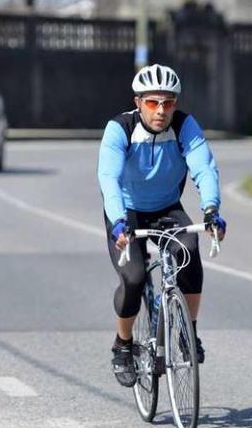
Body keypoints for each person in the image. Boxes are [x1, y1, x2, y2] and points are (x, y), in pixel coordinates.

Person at [97, 64, 227, 387]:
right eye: (153, 102)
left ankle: (189, 333)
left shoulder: (185, 127)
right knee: (135, 277)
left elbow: (204, 168)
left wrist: (211, 209)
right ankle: (123, 344)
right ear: (138, 102)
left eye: (168, 103)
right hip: (126, 213)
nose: (161, 111)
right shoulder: (120, 129)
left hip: (167, 207)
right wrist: (117, 223)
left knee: (190, 252)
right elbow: (108, 179)